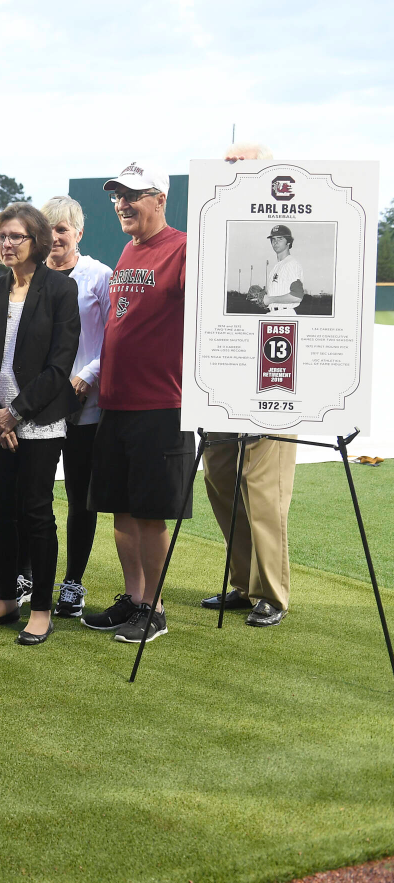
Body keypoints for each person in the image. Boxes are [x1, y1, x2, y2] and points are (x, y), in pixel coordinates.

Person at [81, 162, 194, 644]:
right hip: (118, 402)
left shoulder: (185, 249)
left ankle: (156, 608)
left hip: (161, 403)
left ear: (160, 199)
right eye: (117, 196)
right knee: (121, 508)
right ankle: (134, 598)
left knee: (150, 512)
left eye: (133, 195)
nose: (122, 204)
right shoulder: (129, 250)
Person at [0, 204, 81, 644]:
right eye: (0, 236)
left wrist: (17, 412)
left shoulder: (59, 290)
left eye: (15, 237)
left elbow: (59, 363)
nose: (5, 244)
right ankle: (6, 599)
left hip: (38, 421)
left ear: (37, 241)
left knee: (35, 513)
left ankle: (40, 610)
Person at [200, 142, 296, 627]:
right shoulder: (215, 222)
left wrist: (266, 294)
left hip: (277, 371)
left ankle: (272, 594)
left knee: (263, 487)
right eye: (228, 163)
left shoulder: (287, 230)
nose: (232, 169)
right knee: (219, 477)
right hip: (225, 373)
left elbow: (298, 298)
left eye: (242, 162)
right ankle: (244, 581)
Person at [40, 195, 113, 618]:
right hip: (43, 406)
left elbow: (113, 336)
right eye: (48, 229)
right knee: (35, 493)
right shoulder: (30, 276)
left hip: (86, 405)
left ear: (78, 233)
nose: (55, 238)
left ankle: (73, 581)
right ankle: (33, 572)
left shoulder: (99, 276)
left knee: (80, 496)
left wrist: (89, 373)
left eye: (62, 229)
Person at [263, 224, 305, 315]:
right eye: (273, 239)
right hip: (273, 312)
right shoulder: (277, 267)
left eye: (280, 238)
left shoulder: (291, 264)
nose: (275, 242)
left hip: (284, 313)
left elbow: (297, 296)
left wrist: (270, 299)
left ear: (288, 242)